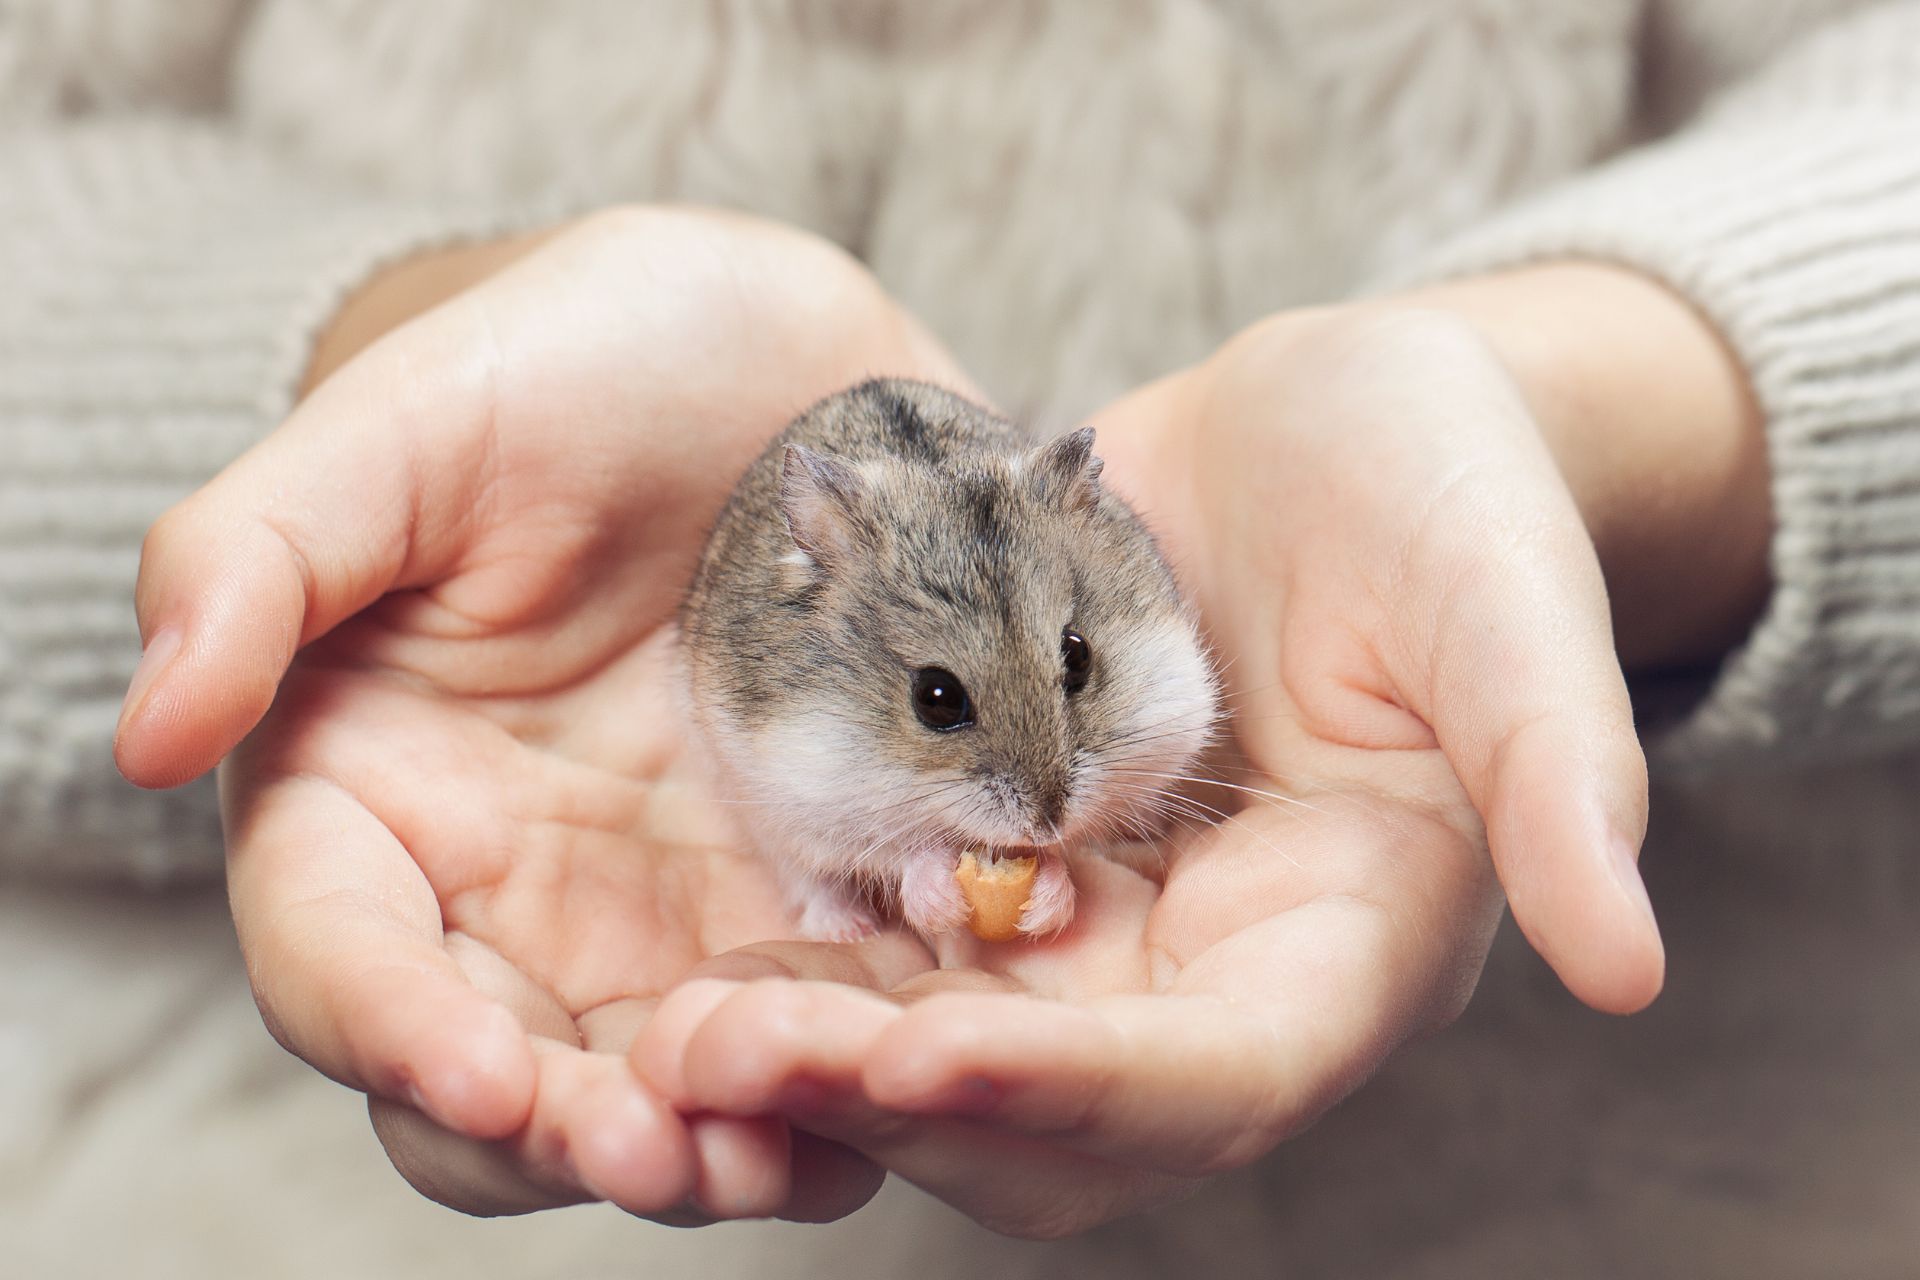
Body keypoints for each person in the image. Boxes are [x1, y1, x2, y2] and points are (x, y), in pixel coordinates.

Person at [8, 0, 1920, 1267]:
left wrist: (1592, 424)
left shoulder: (1107, 599)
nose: (1043, 788)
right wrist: (395, 383)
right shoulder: (775, 643)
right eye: (946, 711)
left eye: (1077, 689)